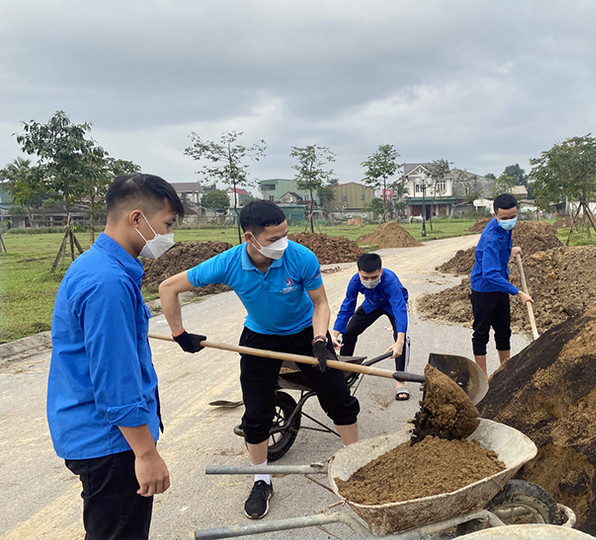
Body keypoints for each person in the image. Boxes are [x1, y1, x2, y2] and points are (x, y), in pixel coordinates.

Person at [158, 199, 359, 520]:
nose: (283, 243)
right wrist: (179, 334)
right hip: (259, 336)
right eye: (273, 239)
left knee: (338, 397)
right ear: (249, 238)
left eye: (285, 234)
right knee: (256, 415)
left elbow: (320, 304)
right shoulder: (228, 263)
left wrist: (320, 340)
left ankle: (356, 463)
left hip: (305, 333)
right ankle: (261, 480)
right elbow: (168, 287)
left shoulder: (300, 257)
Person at [47, 173, 183, 540]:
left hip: (95, 433)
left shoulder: (97, 265)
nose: (170, 237)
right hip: (111, 444)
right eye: (167, 225)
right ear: (136, 219)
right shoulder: (108, 283)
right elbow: (115, 379)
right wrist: (145, 453)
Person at [332, 253, 411, 400]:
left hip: (393, 306)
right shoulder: (355, 281)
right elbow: (347, 306)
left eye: (374, 277)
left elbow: (399, 309)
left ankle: (400, 380)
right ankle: (345, 371)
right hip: (372, 304)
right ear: (359, 273)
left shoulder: (390, 281)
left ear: (380, 272)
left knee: (401, 339)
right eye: (365, 278)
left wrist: (399, 342)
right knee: (349, 332)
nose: (369, 281)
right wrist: (335, 334)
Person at [469, 193, 533, 376]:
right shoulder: (490, 238)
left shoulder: (506, 229)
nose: (509, 221)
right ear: (495, 216)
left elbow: (500, 251)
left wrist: (510, 251)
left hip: (500, 287)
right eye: (504, 218)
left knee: (504, 332)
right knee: (481, 334)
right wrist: (518, 292)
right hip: (484, 290)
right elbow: (489, 274)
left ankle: (505, 374)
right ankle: (483, 378)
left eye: (513, 217)